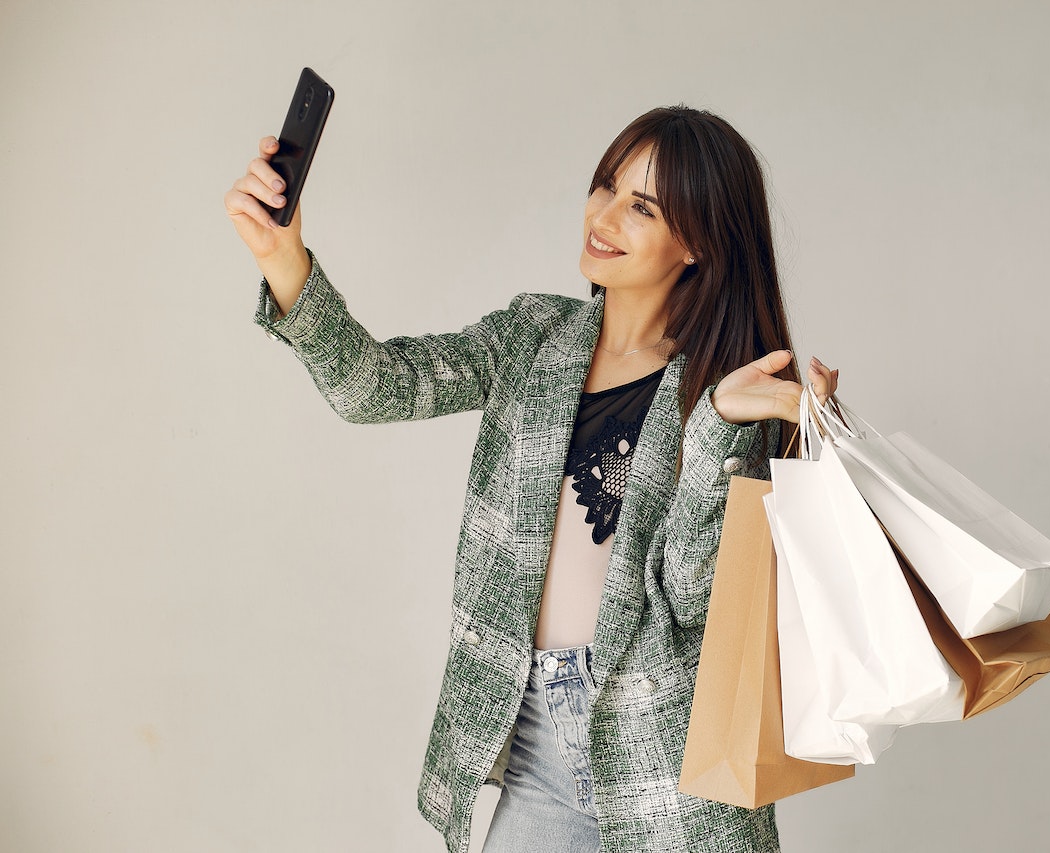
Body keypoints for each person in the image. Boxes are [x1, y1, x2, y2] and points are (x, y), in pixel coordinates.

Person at [225, 105, 837, 853]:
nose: (603, 216)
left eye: (641, 206)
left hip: (671, 766)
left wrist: (717, 429)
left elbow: (691, 600)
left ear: (699, 243)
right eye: (606, 186)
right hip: (540, 748)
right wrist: (282, 256)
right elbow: (377, 387)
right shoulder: (532, 337)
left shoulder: (727, 396)